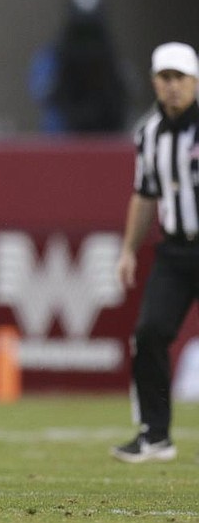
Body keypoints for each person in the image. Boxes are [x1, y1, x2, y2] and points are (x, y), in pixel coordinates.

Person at [110, 41, 199, 463]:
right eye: (165, 78)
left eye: (180, 78)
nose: (173, 86)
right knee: (149, 334)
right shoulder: (149, 131)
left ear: (195, 81)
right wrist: (128, 249)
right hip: (177, 250)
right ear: (154, 82)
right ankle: (155, 434)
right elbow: (145, 195)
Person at [28, 0, 129, 133]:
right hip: (62, 137)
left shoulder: (112, 59)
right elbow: (40, 90)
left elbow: (126, 90)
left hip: (107, 135)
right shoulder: (53, 57)